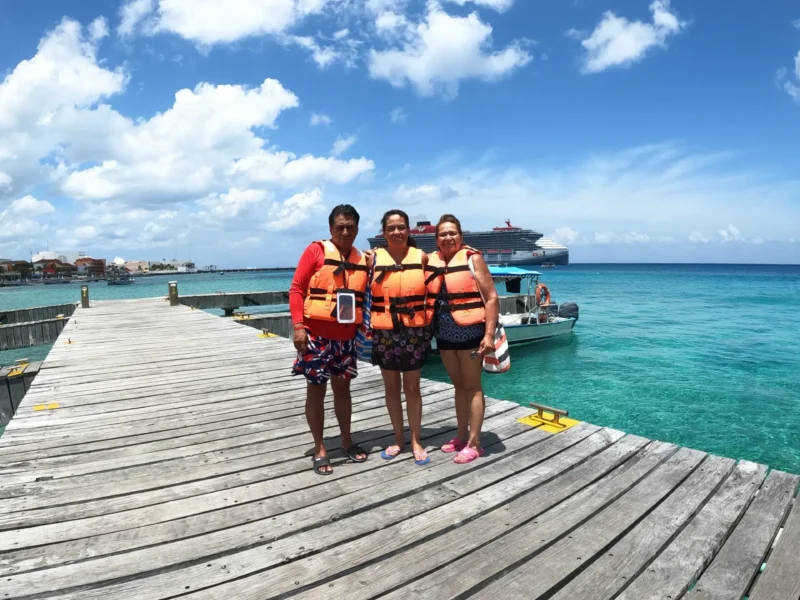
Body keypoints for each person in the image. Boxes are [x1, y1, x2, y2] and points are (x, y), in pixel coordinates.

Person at [289, 204, 370, 475]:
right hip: (315, 336)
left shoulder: (363, 258)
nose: (345, 231)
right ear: (330, 228)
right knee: (316, 389)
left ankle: (346, 440)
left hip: (345, 339)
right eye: (340, 227)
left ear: (357, 228)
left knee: (343, 390)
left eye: (351, 227)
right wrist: (299, 327)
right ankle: (320, 447)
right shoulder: (316, 251)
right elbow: (297, 289)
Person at [425, 214, 499, 464]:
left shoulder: (472, 259)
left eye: (452, 233)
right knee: (458, 387)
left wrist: (488, 334)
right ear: (436, 239)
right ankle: (460, 436)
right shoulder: (432, 261)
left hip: (471, 334)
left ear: (461, 236)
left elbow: (491, 298)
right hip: (444, 335)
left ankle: (475, 443)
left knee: (472, 386)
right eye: (443, 234)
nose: (448, 237)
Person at [370, 209, 432, 466]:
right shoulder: (371, 259)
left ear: (409, 230)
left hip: (414, 329)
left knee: (413, 387)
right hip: (384, 330)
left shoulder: (423, 257)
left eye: (401, 227)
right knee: (391, 387)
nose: (397, 232)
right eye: (391, 228)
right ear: (384, 232)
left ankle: (416, 439)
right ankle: (398, 438)